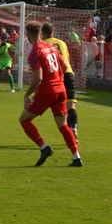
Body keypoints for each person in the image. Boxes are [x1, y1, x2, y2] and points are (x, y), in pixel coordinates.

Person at [19, 21, 81, 167]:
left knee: (24, 120)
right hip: (61, 90)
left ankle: (44, 147)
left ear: (28, 34)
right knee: (63, 125)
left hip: (47, 91)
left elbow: (38, 78)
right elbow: (65, 65)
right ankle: (76, 157)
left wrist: (27, 94)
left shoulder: (35, 52)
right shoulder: (51, 47)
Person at [41, 21, 81, 137]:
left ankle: (67, 129)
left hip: (55, 76)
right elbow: (65, 59)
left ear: (42, 33)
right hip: (68, 73)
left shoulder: (42, 44)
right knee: (71, 105)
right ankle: (73, 127)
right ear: (52, 32)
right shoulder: (62, 43)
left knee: (57, 107)